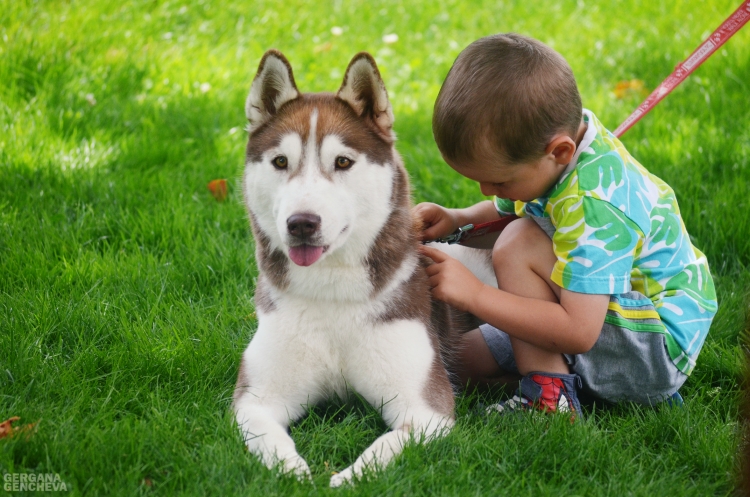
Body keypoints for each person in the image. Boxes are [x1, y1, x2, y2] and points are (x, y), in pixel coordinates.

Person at [416, 33, 718, 418]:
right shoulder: (557, 151)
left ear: (560, 152)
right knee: (457, 364)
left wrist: (475, 295)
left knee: (519, 242)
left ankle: (551, 401)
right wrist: (458, 219)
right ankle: (578, 390)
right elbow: (518, 210)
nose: (487, 190)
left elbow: (578, 330)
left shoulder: (595, 206)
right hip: (603, 315)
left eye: (500, 181)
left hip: (651, 348)